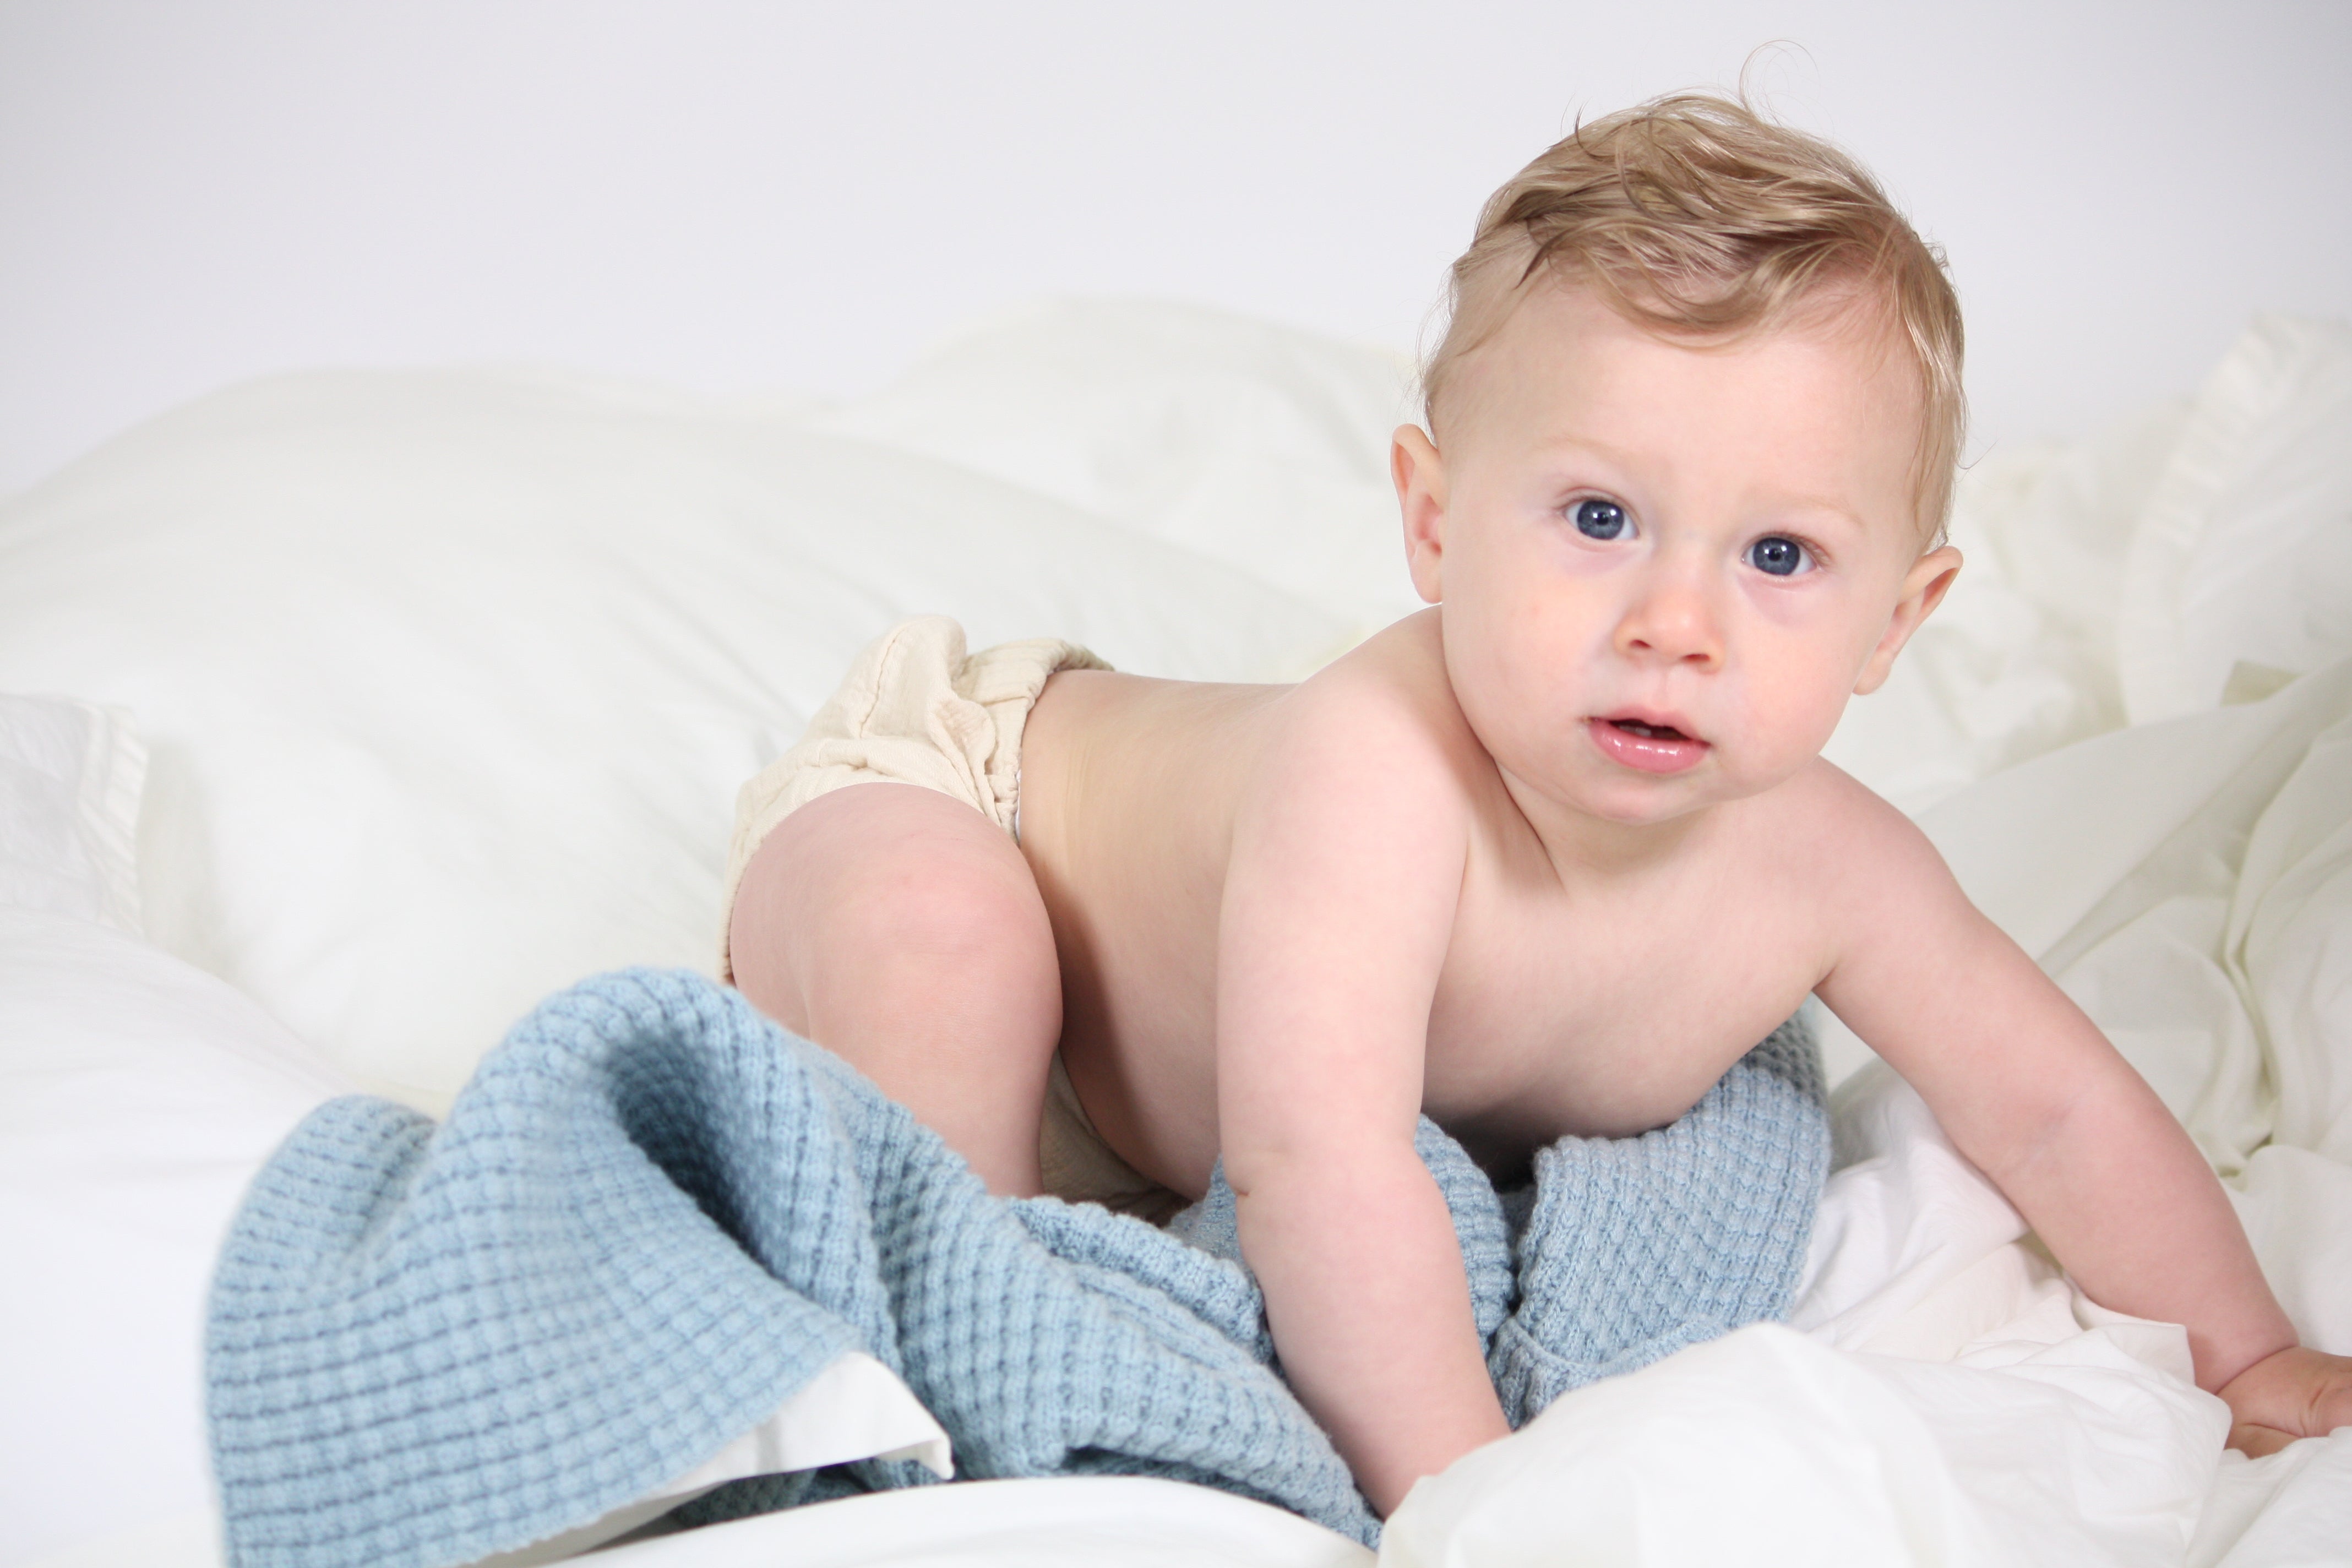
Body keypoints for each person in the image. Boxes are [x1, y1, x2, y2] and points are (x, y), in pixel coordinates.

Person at [720, 94, 2352, 1515]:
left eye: (1780, 557)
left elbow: (2051, 1105)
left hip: (1168, 1067)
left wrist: (2247, 1352)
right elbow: (1320, 1167)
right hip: (971, 799)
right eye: (1597, 514)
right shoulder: (1377, 775)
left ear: (1896, 623)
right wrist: (1477, 1501)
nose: (1676, 621)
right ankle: (959, 1374)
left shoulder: (1827, 866)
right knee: (942, 956)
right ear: (1434, 524)